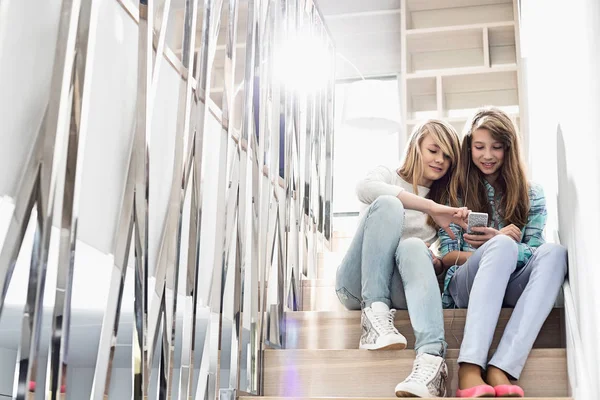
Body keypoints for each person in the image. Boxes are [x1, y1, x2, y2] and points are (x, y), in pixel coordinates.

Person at [438, 107, 568, 398]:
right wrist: (492, 249)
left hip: (509, 283)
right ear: (469, 147)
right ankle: (470, 366)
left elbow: (535, 250)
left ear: (509, 149)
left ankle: (502, 366)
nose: (488, 155)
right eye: (480, 147)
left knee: (555, 253)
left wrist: (504, 246)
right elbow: (447, 256)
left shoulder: (532, 194)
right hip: (464, 283)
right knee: (503, 245)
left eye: (496, 147)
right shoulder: (454, 190)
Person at [335, 120, 468, 398]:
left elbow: (444, 255)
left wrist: (431, 260)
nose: (440, 160)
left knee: (413, 247)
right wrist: (430, 206)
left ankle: (432, 362)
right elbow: (363, 189)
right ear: (417, 145)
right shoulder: (388, 175)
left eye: (447, 156)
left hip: (397, 289)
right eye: (434, 150)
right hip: (356, 284)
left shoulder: (443, 200)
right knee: (389, 204)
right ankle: (374, 314)